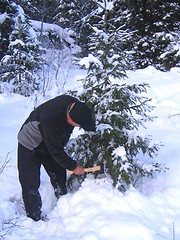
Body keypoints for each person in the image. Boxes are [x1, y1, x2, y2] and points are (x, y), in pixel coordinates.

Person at [17, 94, 96, 221]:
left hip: (49, 142)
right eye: (77, 125)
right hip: (29, 143)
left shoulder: (74, 105)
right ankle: (34, 216)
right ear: (70, 118)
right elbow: (57, 152)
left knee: (59, 173)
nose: (78, 127)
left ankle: (62, 200)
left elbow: (55, 147)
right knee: (30, 182)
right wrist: (74, 167)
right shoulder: (51, 121)